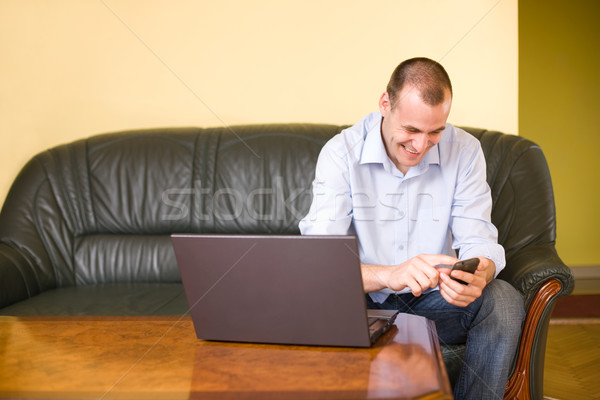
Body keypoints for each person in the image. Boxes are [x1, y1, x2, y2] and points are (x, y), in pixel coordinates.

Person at [299, 57, 525, 400]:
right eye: (411, 130)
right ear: (384, 105)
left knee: (503, 300)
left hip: (435, 303)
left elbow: (479, 238)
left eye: (435, 132)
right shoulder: (340, 154)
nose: (421, 146)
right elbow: (317, 265)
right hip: (362, 307)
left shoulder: (465, 151)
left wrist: (481, 272)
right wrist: (390, 274)